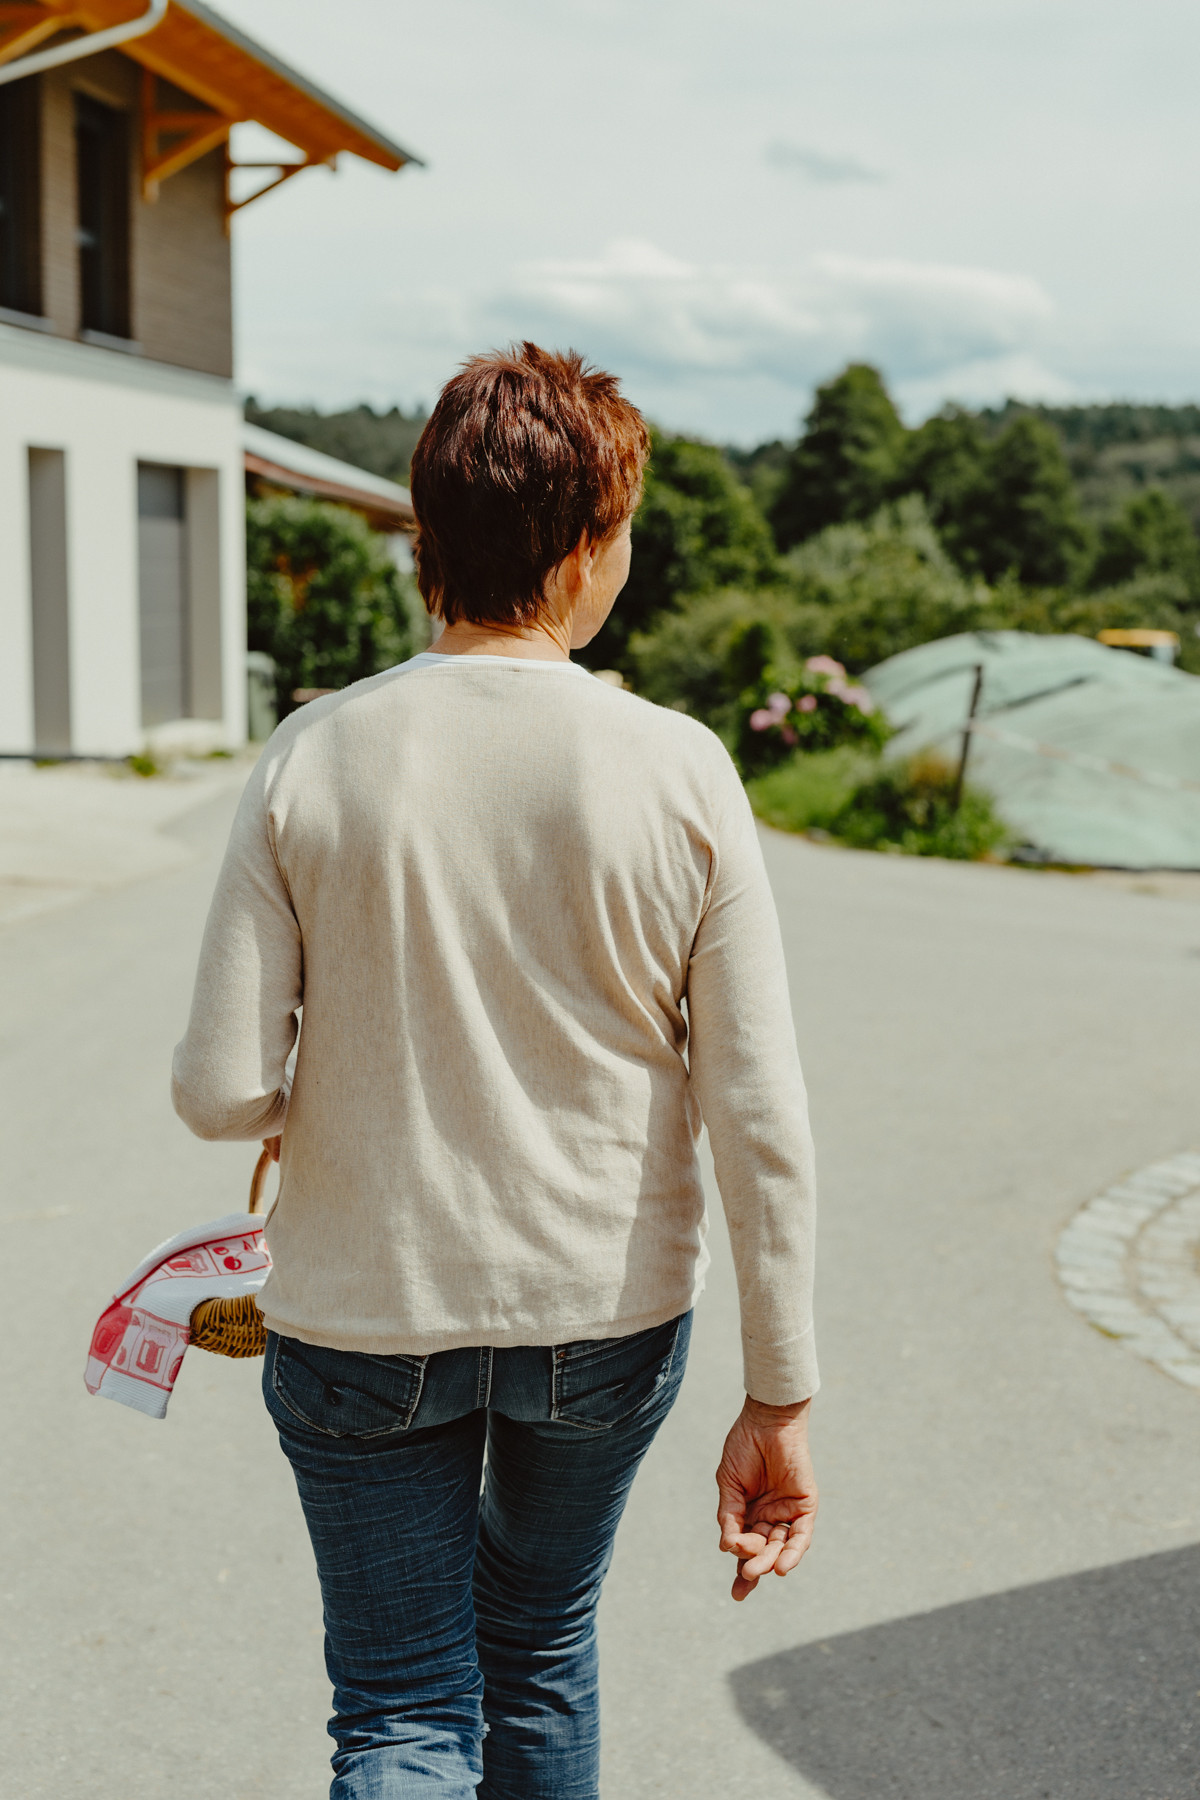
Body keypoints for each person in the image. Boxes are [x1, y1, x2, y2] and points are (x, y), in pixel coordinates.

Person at [172, 342, 818, 1800]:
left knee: (401, 1708)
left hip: (359, 1314)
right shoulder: (681, 768)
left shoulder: (309, 757)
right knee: (538, 1650)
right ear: (589, 551)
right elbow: (759, 1119)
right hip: (603, 1314)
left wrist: (338, 1083)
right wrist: (777, 1398)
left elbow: (218, 1085)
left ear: (429, 543)